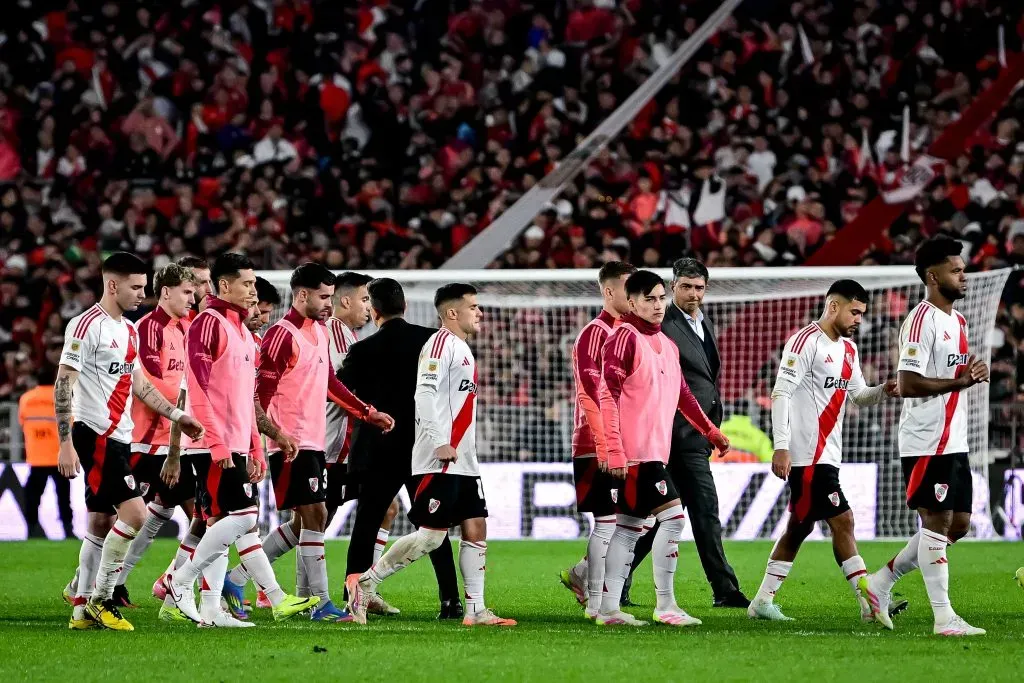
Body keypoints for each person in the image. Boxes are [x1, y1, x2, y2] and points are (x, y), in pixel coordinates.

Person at [222, 263, 394, 623]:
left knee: (312, 518)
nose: (329, 304)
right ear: (302, 295)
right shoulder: (281, 335)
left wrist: (367, 413)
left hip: (313, 442)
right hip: (290, 444)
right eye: (323, 297)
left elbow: (330, 382)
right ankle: (320, 603)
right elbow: (259, 396)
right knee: (315, 515)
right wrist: (269, 438)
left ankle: (238, 580)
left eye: (331, 296)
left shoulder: (318, 331)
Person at [159, 253, 316, 626]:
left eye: (253, 283)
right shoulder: (207, 324)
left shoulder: (245, 333)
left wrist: (256, 448)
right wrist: (216, 443)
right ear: (224, 285)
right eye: (246, 284)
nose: (252, 291)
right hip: (211, 445)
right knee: (244, 518)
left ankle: (213, 610)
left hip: (235, 443)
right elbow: (197, 389)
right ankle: (179, 581)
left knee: (223, 524)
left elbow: (247, 398)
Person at [346, 283, 515, 627]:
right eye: (473, 306)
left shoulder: (460, 347)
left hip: (461, 458)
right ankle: (365, 583)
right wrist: (439, 441)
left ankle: (475, 610)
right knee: (431, 535)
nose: (480, 312)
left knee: (475, 526)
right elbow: (423, 393)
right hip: (437, 457)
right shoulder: (438, 344)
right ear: (452, 312)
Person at [56, 252, 205, 631]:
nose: (142, 294)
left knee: (100, 521)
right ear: (112, 285)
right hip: (96, 434)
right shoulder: (85, 325)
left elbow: (141, 385)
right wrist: (65, 442)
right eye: (136, 287)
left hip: (121, 437)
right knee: (136, 514)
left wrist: (177, 415)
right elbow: (63, 383)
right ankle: (101, 600)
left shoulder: (128, 330)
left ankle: (80, 609)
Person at [747, 279, 898, 625]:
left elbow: (858, 395)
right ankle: (869, 602)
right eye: (854, 312)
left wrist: (884, 390)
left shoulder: (849, 350)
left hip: (828, 455)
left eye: (862, 313)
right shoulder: (805, 342)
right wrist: (781, 446)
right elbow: (781, 392)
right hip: (807, 457)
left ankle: (762, 601)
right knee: (843, 520)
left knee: (798, 529)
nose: (859, 319)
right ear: (833, 306)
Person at [865, 236, 989, 637]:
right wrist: (959, 382)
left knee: (959, 525)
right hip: (926, 439)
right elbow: (908, 383)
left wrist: (970, 375)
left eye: (963, 269)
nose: (963, 276)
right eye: (956, 270)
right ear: (933, 277)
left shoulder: (959, 321)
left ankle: (880, 583)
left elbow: (953, 376)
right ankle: (944, 617)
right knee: (937, 521)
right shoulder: (921, 320)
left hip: (955, 439)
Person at [596, 270, 730, 627]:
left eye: (660, 299)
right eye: (649, 299)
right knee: (673, 518)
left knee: (628, 528)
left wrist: (711, 431)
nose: (658, 306)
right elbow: (607, 394)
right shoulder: (623, 337)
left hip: (655, 452)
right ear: (632, 302)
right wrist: (613, 448)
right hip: (634, 454)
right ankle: (666, 605)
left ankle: (608, 609)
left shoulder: (667, 345)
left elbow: (683, 395)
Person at [623, 258, 748, 608]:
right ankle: (725, 589)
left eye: (699, 288)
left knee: (662, 516)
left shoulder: (702, 322)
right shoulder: (662, 324)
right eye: (686, 287)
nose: (693, 294)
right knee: (703, 509)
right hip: (678, 434)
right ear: (673, 287)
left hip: (696, 434)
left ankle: (607, 579)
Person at [339, 278, 465, 620]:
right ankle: (450, 600)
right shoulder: (431, 341)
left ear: (373, 310)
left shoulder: (362, 350)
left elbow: (343, 395)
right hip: (423, 447)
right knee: (432, 524)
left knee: (367, 524)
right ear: (405, 306)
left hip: (378, 449)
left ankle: (353, 594)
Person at [112, 264, 201, 608]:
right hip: (146, 441)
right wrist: (193, 403)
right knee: (124, 519)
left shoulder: (189, 327)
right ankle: (91, 583)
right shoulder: (148, 327)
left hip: (178, 441)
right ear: (166, 292)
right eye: (187, 292)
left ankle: (176, 584)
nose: (193, 299)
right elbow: (148, 382)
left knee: (203, 518)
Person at [558, 261, 636, 619]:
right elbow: (590, 391)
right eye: (627, 289)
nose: (634, 297)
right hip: (596, 442)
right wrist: (606, 443)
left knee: (641, 520)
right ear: (608, 291)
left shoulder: (631, 333)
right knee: (607, 522)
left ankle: (583, 574)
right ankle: (596, 604)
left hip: (629, 442)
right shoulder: (595, 333)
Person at [321, 272, 401, 617]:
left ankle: (364, 588)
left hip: (344, 445)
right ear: (346, 300)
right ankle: (247, 580)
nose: (369, 307)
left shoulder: (346, 336)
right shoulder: (335, 334)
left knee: (385, 508)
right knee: (313, 523)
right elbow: (341, 388)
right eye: (364, 299)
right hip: (330, 445)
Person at [19, 371, 73, 539]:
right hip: (59, 457)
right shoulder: (63, 397)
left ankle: (31, 530)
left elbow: (22, 422)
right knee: (64, 498)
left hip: (37, 458)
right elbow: (71, 424)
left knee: (32, 498)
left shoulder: (26, 398)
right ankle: (68, 531)